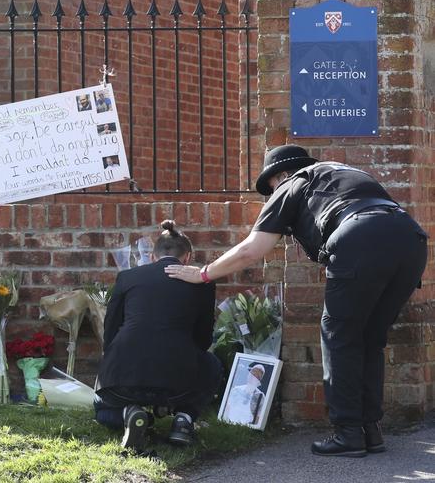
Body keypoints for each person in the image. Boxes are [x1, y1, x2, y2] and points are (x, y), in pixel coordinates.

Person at [165, 144, 427, 458]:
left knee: (339, 336)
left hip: (360, 237)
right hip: (410, 240)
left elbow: (253, 249)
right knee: (370, 338)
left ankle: (348, 434)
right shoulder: (342, 174)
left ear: (281, 174)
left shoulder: (291, 183)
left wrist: (203, 274)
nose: (271, 193)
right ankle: (370, 430)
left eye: (271, 186)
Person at [95, 220, 223, 452]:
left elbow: (111, 329)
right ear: (187, 257)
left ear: (152, 257)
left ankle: (131, 414)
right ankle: (183, 419)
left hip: (124, 377)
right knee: (212, 365)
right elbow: (203, 339)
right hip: (178, 382)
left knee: (103, 411)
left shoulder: (128, 277)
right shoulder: (203, 284)